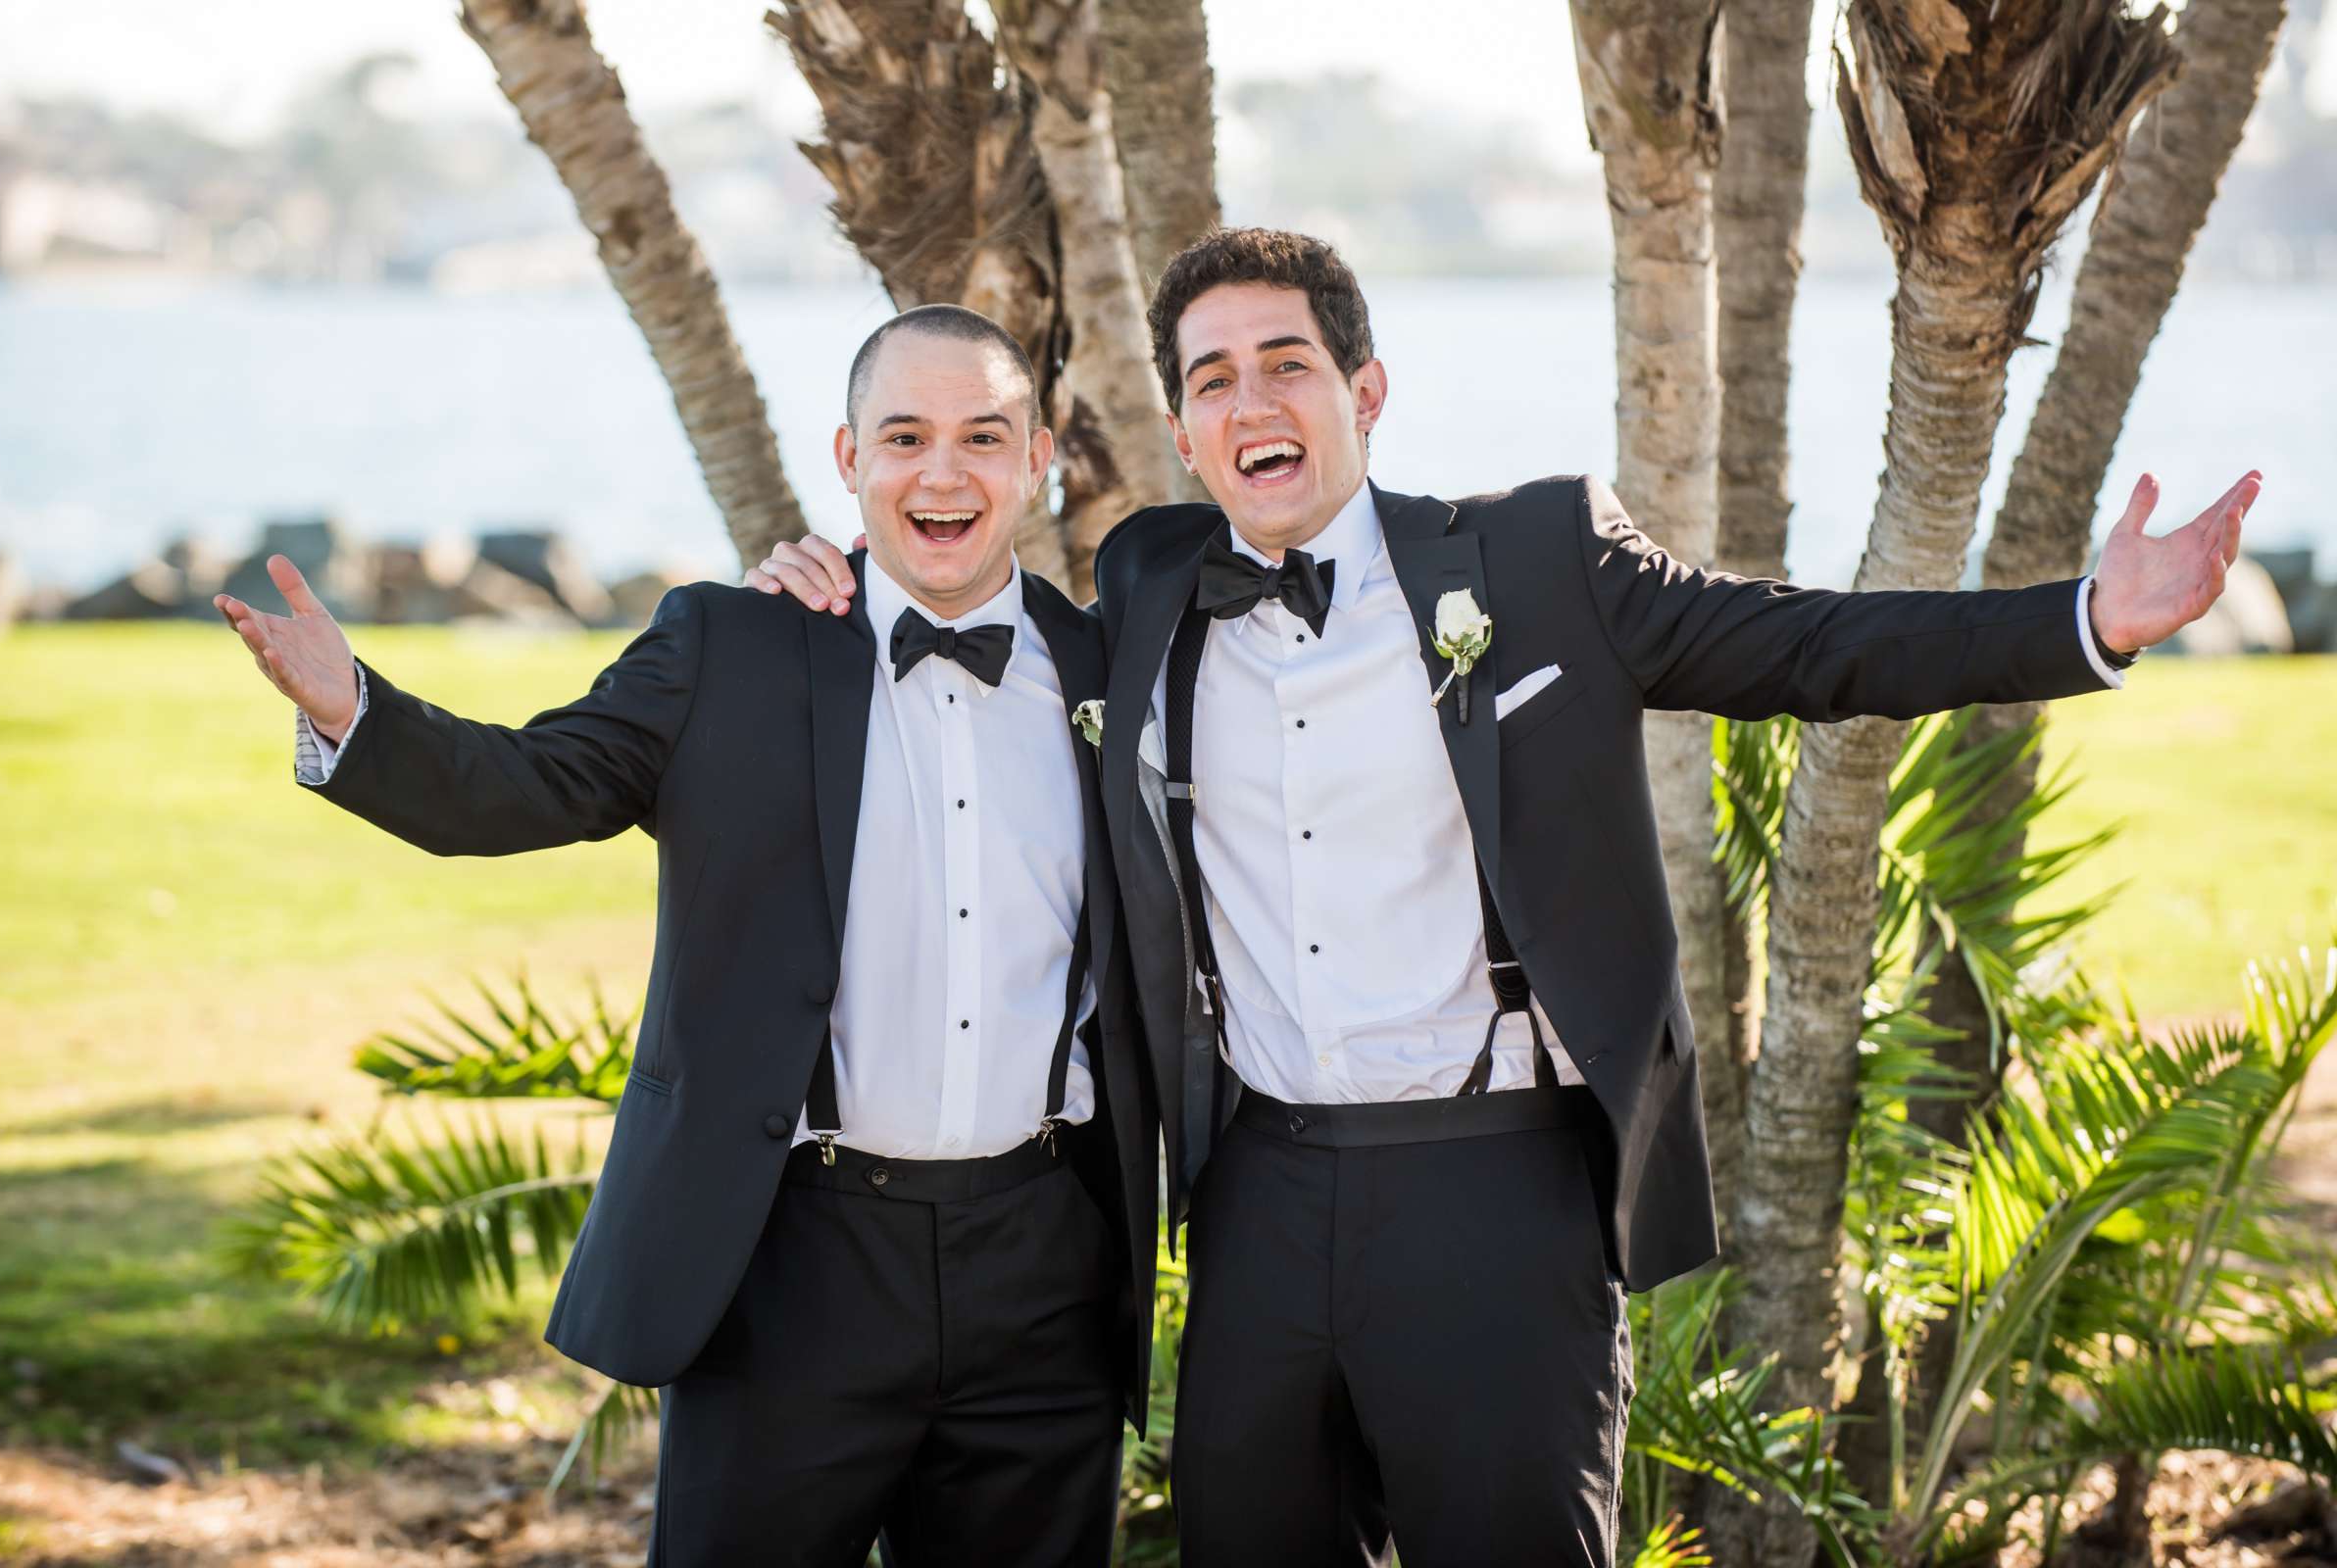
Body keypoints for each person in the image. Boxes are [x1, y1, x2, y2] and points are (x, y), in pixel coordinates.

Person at [754, 229, 2258, 1567]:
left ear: (1368, 392)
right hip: (1257, 1198)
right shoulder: (1150, 579)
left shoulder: (1530, 562)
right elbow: (973, 646)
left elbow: (1801, 647)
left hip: (1496, 1191)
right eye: (1211, 380)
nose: (1251, 402)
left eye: (1288, 364)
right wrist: (817, 592)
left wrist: (2087, 618)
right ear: (1183, 428)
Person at [216, 304, 1154, 1568]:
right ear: (848, 459)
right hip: (791, 1263)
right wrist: (357, 712)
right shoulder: (735, 645)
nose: (944, 473)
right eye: (906, 436)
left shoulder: (1113, 675)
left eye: (984, 437)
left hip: (1048, 1263)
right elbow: (532, 786)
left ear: (1036, 457)